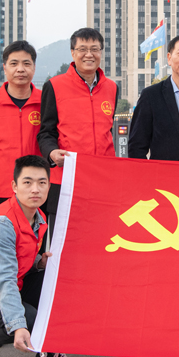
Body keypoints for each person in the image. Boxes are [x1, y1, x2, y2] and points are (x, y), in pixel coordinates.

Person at [0, 155, 90, 357]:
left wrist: (39, 262)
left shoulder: (38, 217)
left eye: (42, 182)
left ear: (48, 186)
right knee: (33, 320)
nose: (35, 189)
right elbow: (3, 281)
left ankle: (49, 355)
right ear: (14, 186)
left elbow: (19, 256)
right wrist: (18, 325)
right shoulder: (2, 224)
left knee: (59, 289)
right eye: (27, 182)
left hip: (10, 287)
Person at [38, 28, 118, 226]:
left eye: (94, 49)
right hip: (66, 178)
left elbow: (107, 131)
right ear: (73, 53)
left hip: (103, 178)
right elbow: (46, 132)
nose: (89, 54)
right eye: (82, 49)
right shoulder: (54, 86)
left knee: (101, 235)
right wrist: (51, 153)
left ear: (101, 53)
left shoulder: (112, 88)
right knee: (63, 238)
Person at [0, 41, 42, 215]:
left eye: (26, 63)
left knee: (36, 233)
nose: (20, 69)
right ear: (4, 68)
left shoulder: (45, 102)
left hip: (36, 191)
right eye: (14, 63)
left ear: (34, 68)